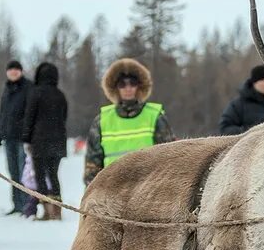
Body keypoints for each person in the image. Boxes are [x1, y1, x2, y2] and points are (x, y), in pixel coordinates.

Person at [84, 58, 175, 187]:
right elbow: (92, 165)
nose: (128, 88)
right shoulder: (102, 120)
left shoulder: (155, 116)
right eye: (122, 84)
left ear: (139, 86)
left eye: (132, 83)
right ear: (115, 88)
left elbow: (169, 158)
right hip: (111, 191)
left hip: (148, 190)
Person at [22, 61, 70, 219]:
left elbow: (29, 117)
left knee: (40, 176)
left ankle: (47, 210)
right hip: (58, 141)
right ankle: (57, 210)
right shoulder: (61, 95)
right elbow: (64, 118)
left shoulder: (35, 93)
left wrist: (26, 139)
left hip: (40, 141)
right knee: (54, 175)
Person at [0, 60, 31, 215]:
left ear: (21, 71)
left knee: (23, 171)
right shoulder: (7, 89)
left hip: (22, 138)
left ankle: (26, 204)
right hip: (8, 137)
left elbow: (31, 113)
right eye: (11, 70)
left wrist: (28, 133)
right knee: (13, 172)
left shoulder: (29, 87)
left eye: (16, 69)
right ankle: (16, 204)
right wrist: (0, 133)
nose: (13, 72)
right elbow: (3, 113)